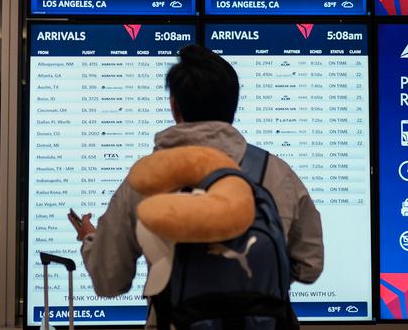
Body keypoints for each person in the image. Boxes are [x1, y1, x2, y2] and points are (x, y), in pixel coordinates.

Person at [70, 43, 323, 325]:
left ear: (174, 105)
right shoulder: (277, 173)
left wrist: (90, 240)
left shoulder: (145, 181)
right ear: (233, 105)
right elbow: (310, 266)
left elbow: (109, 281)